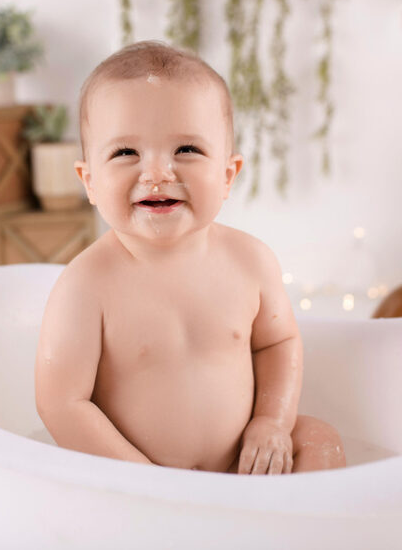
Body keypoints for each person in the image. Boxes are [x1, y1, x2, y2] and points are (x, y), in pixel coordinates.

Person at [34, 41, 346, 475]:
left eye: (187, 150)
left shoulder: (250, 262)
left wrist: (271, 422)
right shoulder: (86, 285)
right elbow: (61, 403)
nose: (158, 173)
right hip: (141, 480)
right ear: (89, 180)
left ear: (226, 175)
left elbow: (278, 342)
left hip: (244, 467)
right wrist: (144, 482)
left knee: (319, 439)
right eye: (126, 152)